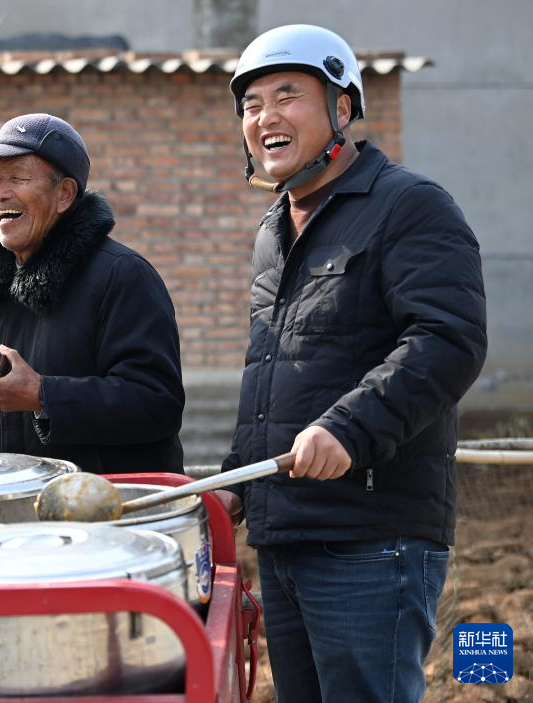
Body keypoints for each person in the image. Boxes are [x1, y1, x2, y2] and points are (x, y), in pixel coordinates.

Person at [215, 25, 487, 702]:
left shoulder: (408, 205)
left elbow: (448, 338)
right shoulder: (275, 230)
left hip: (370, 540)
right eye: (251, 104)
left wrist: (350, 428)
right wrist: (237, 479)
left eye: (287, 96)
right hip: (287, 535)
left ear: (342, 109)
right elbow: (275, 371)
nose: (265, 117)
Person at [0, 113, 184, 473]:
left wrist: (43, 395)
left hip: (108, 504)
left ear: (64, 194)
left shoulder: (122, 275)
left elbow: (157, 404)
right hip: (10, 505)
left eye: (18, 177)